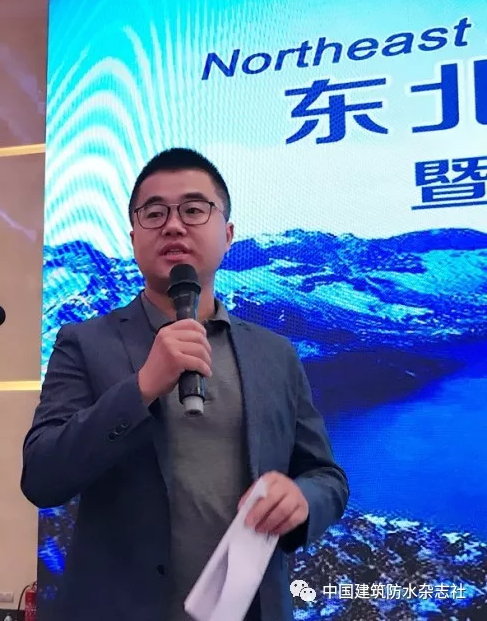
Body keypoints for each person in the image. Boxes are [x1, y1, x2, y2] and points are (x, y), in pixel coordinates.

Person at [21, 148, 349, 621]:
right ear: (133, 237)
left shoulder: (274, 354)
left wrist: (304, 499)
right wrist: (141, 387)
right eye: (154, 213)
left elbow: (326, 476)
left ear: (227, 234)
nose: (173, 226)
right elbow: (42, 476)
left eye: (194, 210)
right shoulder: (84, 343)